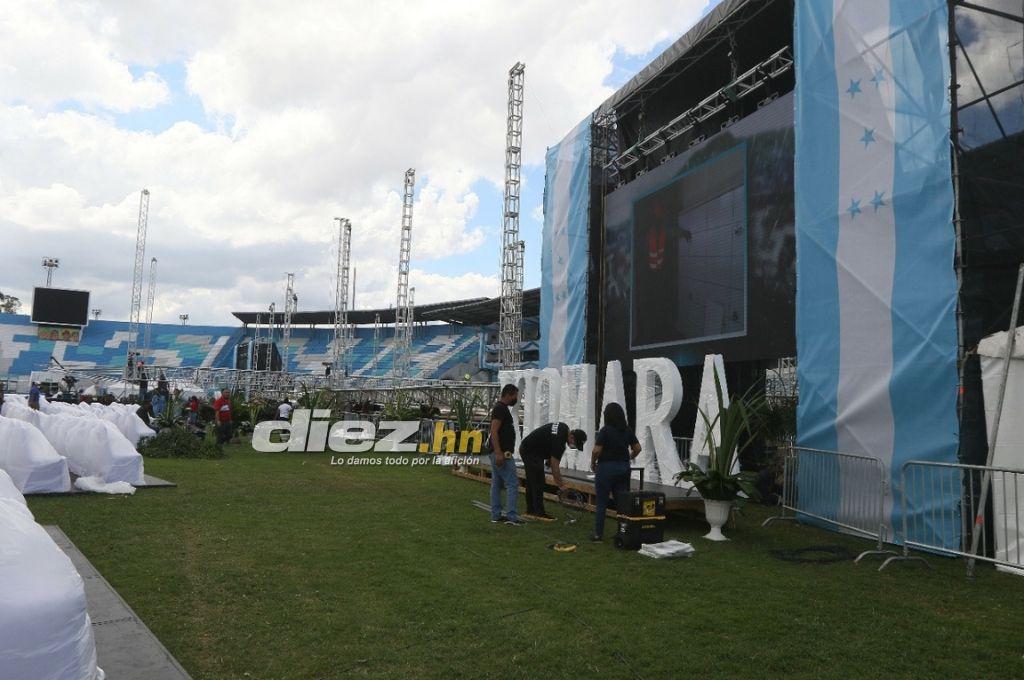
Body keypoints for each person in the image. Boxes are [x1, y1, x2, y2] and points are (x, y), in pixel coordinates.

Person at [590, 402, 641, 542]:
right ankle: (622, 532)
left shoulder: (605, 430)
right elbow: (637, 448)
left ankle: (598, 535)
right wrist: (629, 458)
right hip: (623, 468)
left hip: (606, 468)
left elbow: (596, 450)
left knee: (601, 502)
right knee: (622, 503)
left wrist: (593, 462)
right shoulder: (627, 430)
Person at [519, 422, 586, 521]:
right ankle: (538, 513)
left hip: (530, 448)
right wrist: (561, 486)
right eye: (575, 444)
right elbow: (555, 467)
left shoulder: (564, 427)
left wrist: (549, 459)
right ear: (571, 437)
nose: (573, 446)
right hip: (530, 452)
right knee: (538, 481)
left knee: (532, 480)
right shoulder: (560, 443)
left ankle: (531, 510)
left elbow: (549, 439)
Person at [486, 383, 523, 525]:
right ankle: (511, 516)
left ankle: (496, 515)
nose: (516, 399)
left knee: (497, 484)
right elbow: (494, 431)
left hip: (500, 452)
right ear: (508, 394)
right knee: (512, 484)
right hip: (502, 454)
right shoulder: (500, 409)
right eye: (515, 396)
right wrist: (498, 452)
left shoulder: (501, 408)